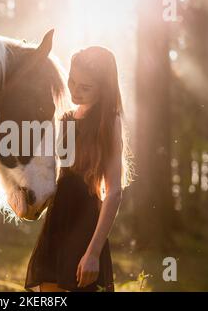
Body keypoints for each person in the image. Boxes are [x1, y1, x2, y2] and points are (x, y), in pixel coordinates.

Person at [25, 46, 134, 292]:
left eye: (85, 88)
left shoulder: (108, 123)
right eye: (72, 81)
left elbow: (114, 192)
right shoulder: (64, 118)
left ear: (103, 89)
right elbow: (50, 173)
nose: (74, 91)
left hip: (86, 228)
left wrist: (93, 252)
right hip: (57, 222)